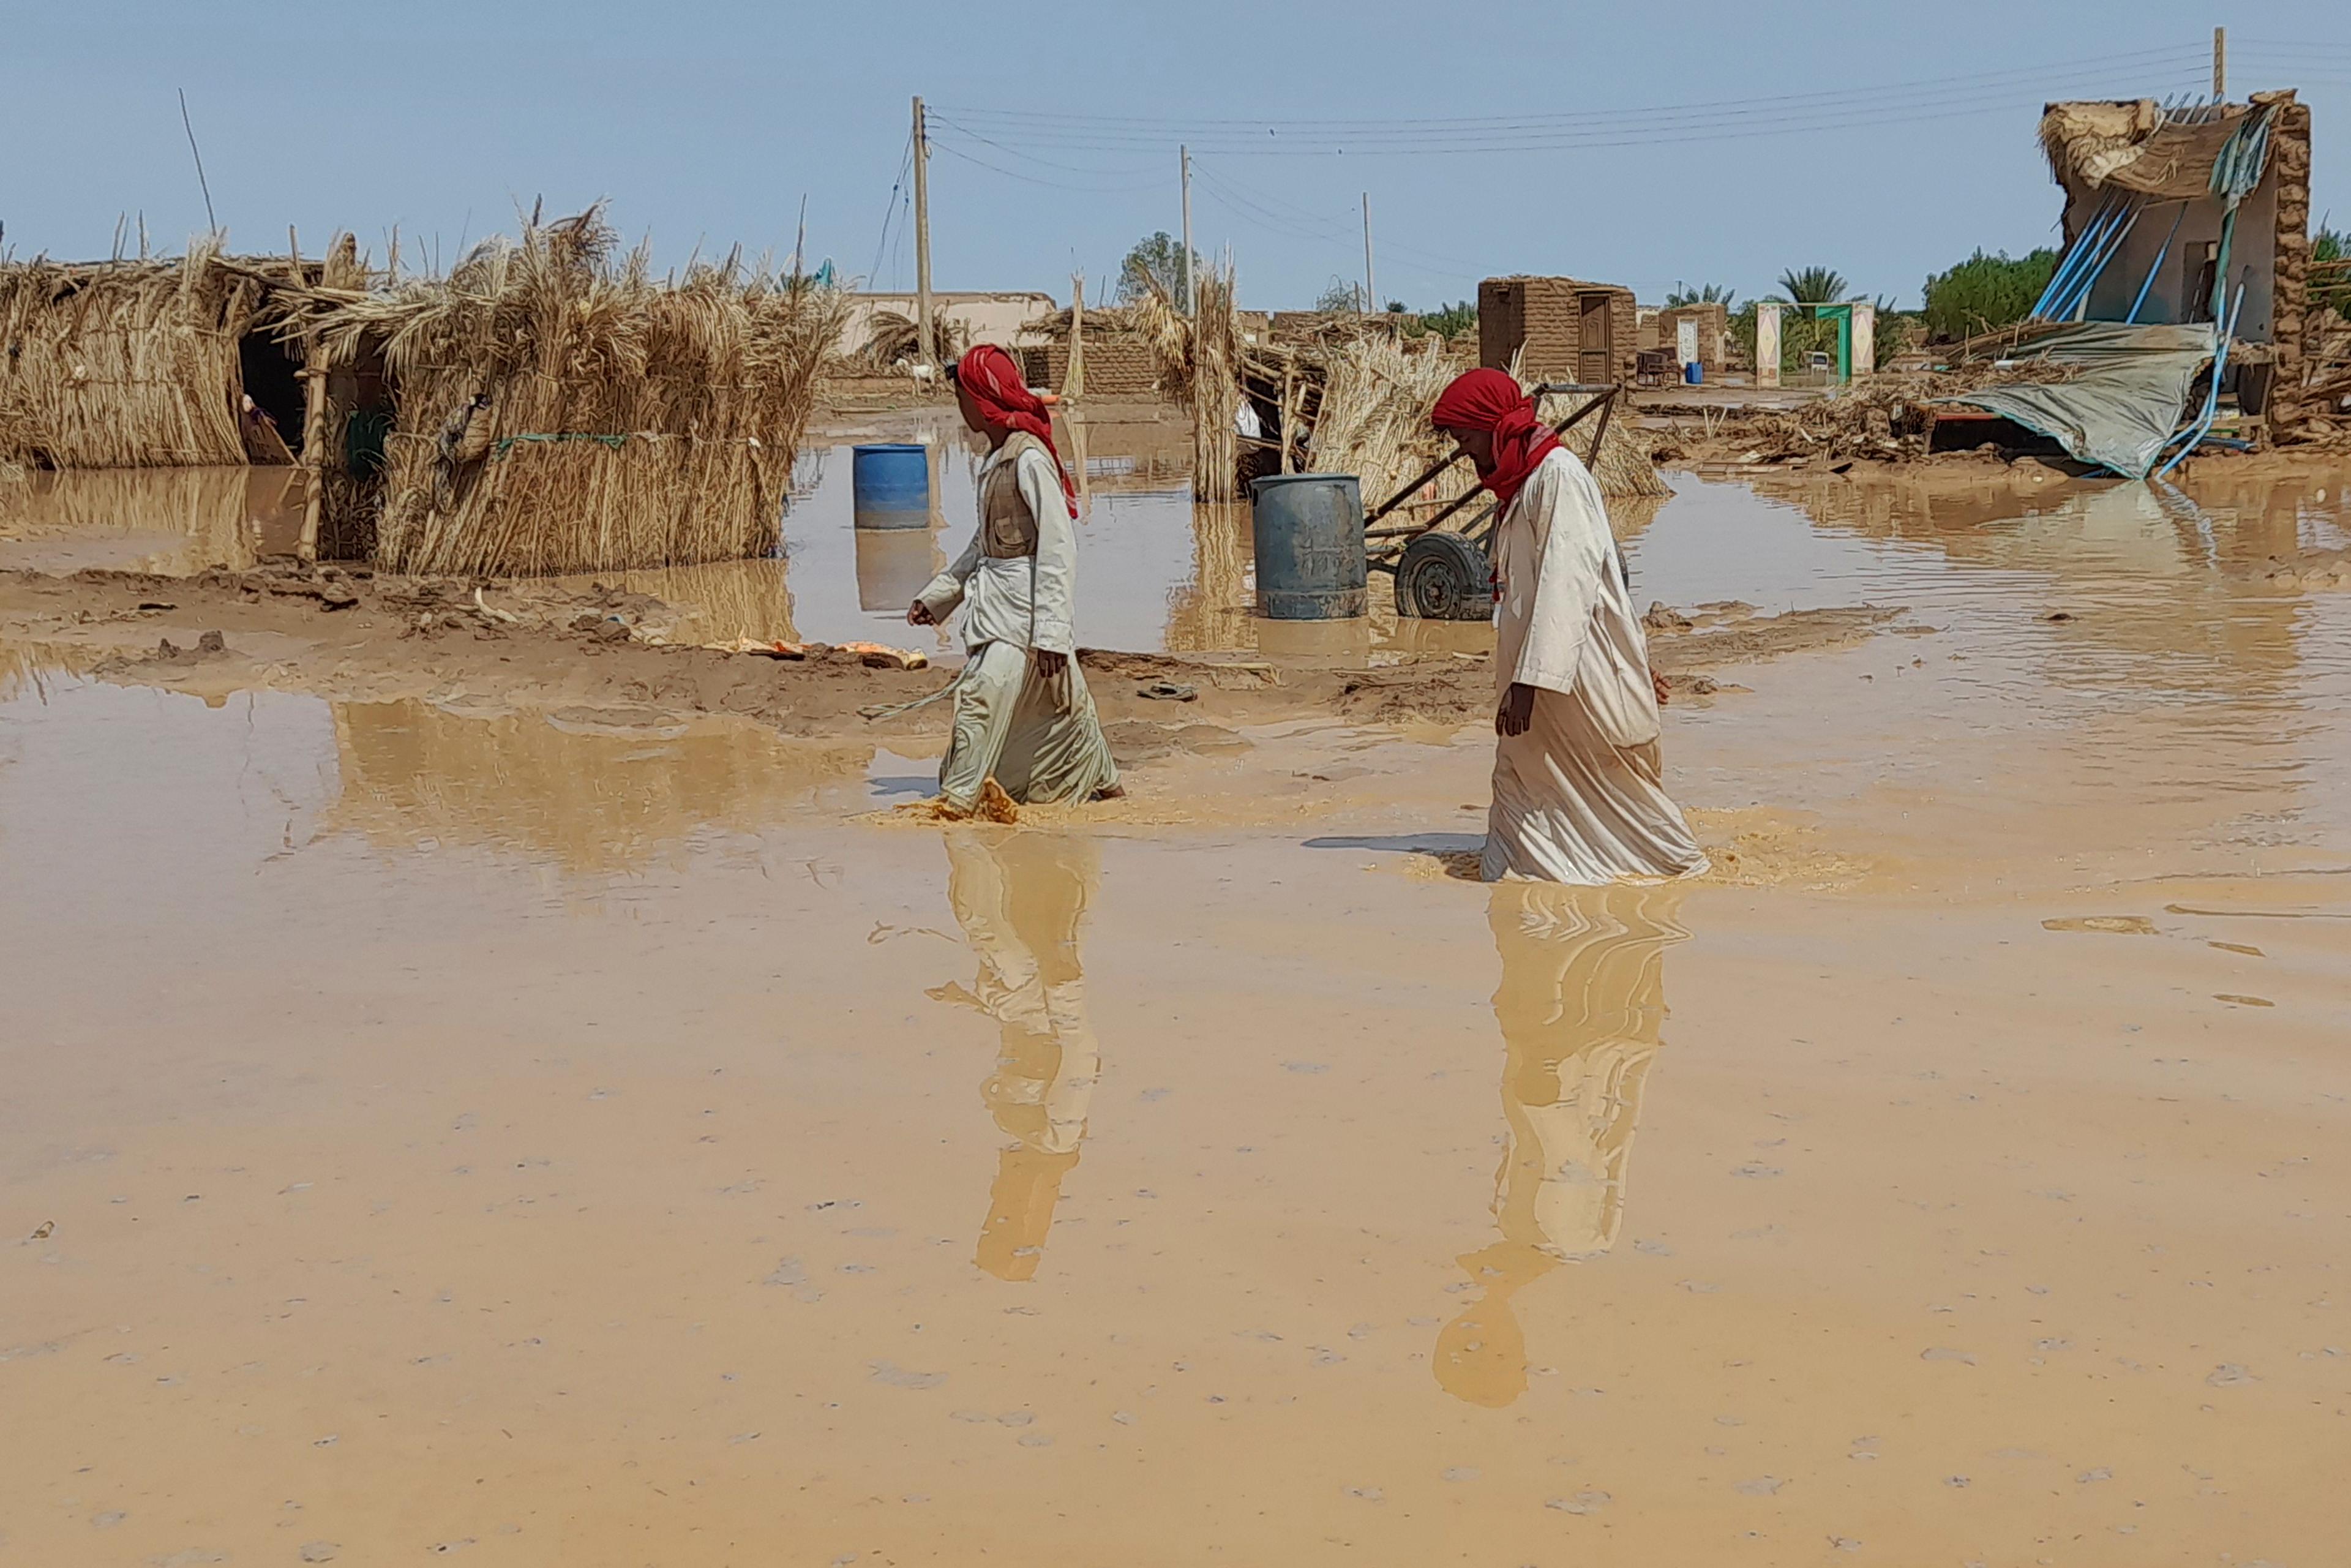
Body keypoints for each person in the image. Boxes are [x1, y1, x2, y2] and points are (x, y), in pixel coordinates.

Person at [1430, 369, 1708, 883]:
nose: (1466, 455)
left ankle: (1675, 877)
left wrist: (1532, 682)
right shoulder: (1523, 484)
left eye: (1467, 440)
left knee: (1616, 790)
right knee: (1527, 776)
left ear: (1494, 428)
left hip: (1576, 675)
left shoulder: (1558, 476)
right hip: (1544, 675)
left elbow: (1571, 582)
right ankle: (1518, 878)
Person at [909, 345, 1122, 814]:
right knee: (1068, 703)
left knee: (981, 699)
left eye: (962, 395)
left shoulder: (1028, 459)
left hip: (1022, 613)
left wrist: (1050, 632)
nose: (959, 406)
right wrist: (940, 596)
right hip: (1002, 606)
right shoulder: (998, 458)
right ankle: (1109, 790)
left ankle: (957, 803)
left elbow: (1058, 547)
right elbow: (984, 544)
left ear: (982, 399)